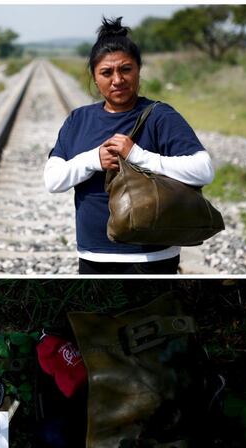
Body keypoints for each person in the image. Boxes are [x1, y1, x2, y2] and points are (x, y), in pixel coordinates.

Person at [44, 16, 214, 275]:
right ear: (94, 76)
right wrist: (92, 160)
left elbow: (204, 170)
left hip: (152, 255)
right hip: (94, 254)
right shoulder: (79, 119)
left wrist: (137, 155)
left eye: (126, 69)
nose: (117, 80)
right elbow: (53, 181)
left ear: (138, 70)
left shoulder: (160, 115)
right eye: (106, 72)